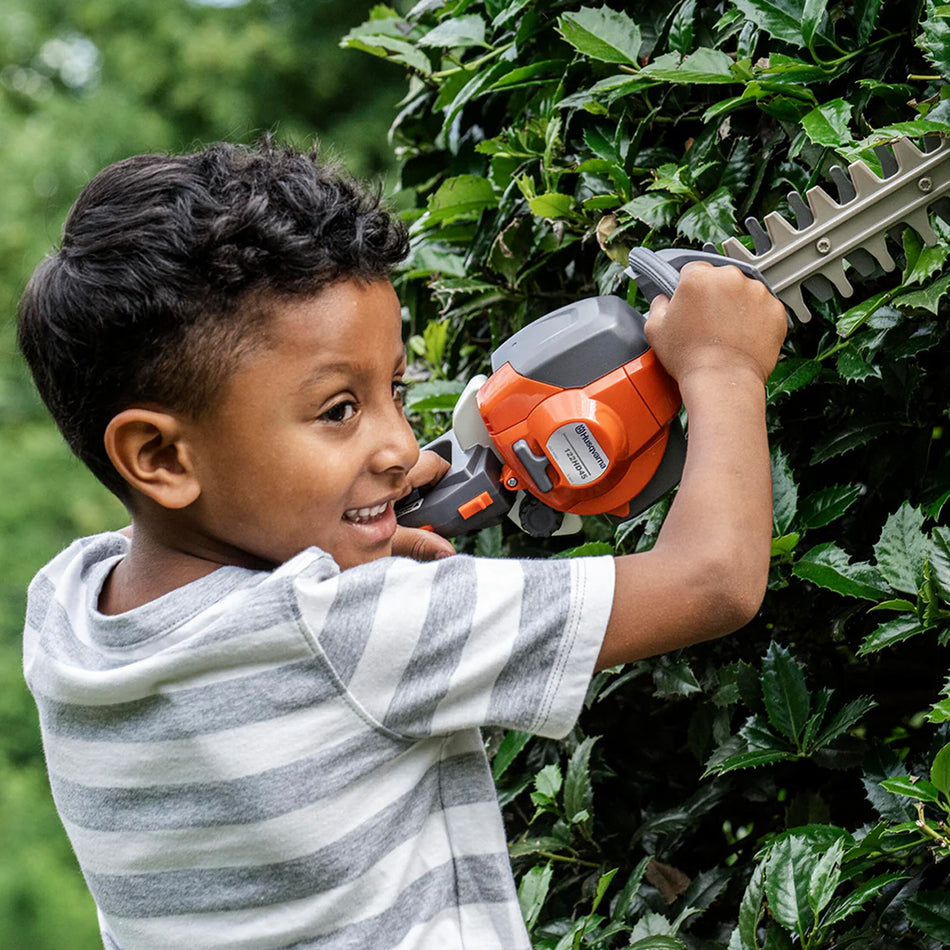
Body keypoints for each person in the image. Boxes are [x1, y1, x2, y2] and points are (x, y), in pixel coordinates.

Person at [17, 139, 787, 950]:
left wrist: (345, 519)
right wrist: (723, 367)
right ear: (162, 458)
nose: (399, 447)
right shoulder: (352, 628)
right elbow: (713, 580)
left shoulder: (68, 613)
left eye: (393, 389)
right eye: (338, 410)